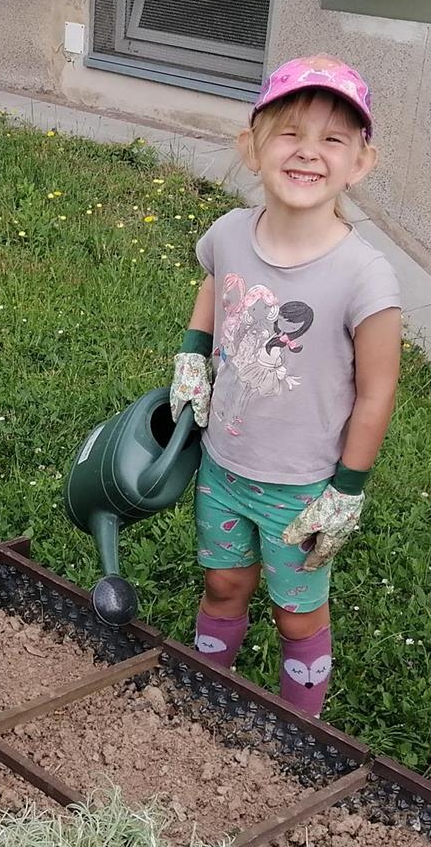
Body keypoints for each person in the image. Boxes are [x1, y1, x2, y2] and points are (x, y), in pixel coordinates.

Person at [169, 55, 401, 717]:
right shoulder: (229, 234)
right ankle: (207, 700)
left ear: (361, 162)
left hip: (304, 488)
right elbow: (215, 281)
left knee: (296, 615)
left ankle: (301, 730)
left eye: (333, 139)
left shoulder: (365, 278)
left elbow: (377, 392)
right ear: (252, 148)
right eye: (289, 133)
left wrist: (345, 493)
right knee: (222, 583)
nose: (308, 153)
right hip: (223, 464)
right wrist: (193, 352)